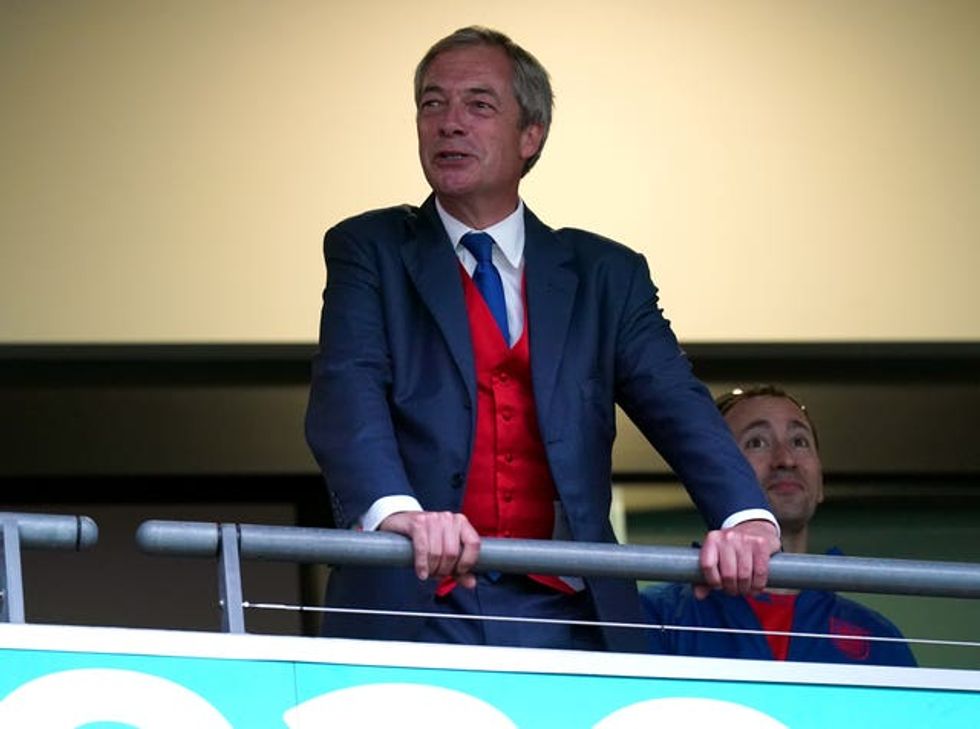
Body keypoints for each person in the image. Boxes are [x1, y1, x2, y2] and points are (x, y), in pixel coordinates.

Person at [305, 26, 780, 653]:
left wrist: (744, 516)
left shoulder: (604, 275)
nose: (449, 122)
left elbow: (675, 400)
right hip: (416, 601)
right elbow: (349, 387)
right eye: (431, 103)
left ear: (531, 136)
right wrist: (398, 513)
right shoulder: (369, 250)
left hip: (570, 610)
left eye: (478, 104)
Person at [642, 385, 917, 665]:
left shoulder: (879, 638)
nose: (786, 460)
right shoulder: (656, 618)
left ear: (820, 484)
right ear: (715, 479)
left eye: (799, 441)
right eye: (756, 442)